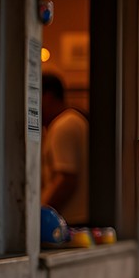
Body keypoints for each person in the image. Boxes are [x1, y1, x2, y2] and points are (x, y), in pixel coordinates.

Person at [41, 72, 89, 225]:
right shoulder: (73, 120)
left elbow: (66, 179)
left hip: (71, 221)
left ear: (47, 97)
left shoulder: (64, 125)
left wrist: (38, 213)